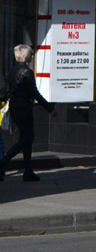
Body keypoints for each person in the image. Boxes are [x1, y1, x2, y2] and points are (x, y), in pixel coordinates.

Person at [0, 45, 55, 181]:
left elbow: (7, 91)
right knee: (25, 140)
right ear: (26, 56)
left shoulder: (12, 71)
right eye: (31, 53)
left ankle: (28, 171)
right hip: (24, 109)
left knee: (27, 139)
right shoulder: (26, 72)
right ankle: (2, 163)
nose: (32, 56)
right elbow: (34, 93)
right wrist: (50, 108)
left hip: (15, 108)